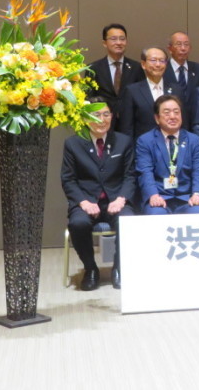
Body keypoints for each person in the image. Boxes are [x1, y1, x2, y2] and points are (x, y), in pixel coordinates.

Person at [61, 99, 135, 290]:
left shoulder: (123, 141)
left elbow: (130, 176)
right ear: (85, 118)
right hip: (86, 201)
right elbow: (68, 179)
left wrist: (121, 199)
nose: (102, 120)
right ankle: (90, 268)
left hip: (116, 201)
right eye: (95, 115)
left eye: (106, 114)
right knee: (78, 223)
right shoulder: (73, 143)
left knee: (128, 221)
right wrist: (83, 202)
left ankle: (119, 267)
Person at [136, 95, 199, 214]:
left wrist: (197, 194)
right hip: (159, 197)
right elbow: (145, 172)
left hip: (186, 198)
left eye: (176, 112)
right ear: (157, 118)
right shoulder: (145, 141)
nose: (173, 116)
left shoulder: (194, 140)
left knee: (198, 211)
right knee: (156, 213)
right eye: (167, 113)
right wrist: (153, 195)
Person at [116, 47, 187, 139]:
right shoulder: (132, 91)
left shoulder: (177, 90)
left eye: (162, 61)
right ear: (143, 64)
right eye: (153, 60)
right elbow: (127, 128)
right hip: (143, 148)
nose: (158, 64)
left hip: (173, 146)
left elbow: (184, 122)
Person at [87, 23, 145, 114]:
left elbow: (141, 97)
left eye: (122, 39)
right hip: (104, 120)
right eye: (113, 39)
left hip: (130, 121)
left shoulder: (136, 67)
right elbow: (89, 99)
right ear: (104, 43)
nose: (118, 42)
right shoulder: (93, 68)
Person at [163, 31, 199, 121]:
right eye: (178, 44)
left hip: (194, 121)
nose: (183, 48)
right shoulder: (162, 69)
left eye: (186, 44)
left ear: (190, 48)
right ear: (169, 48)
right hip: (169, 120)